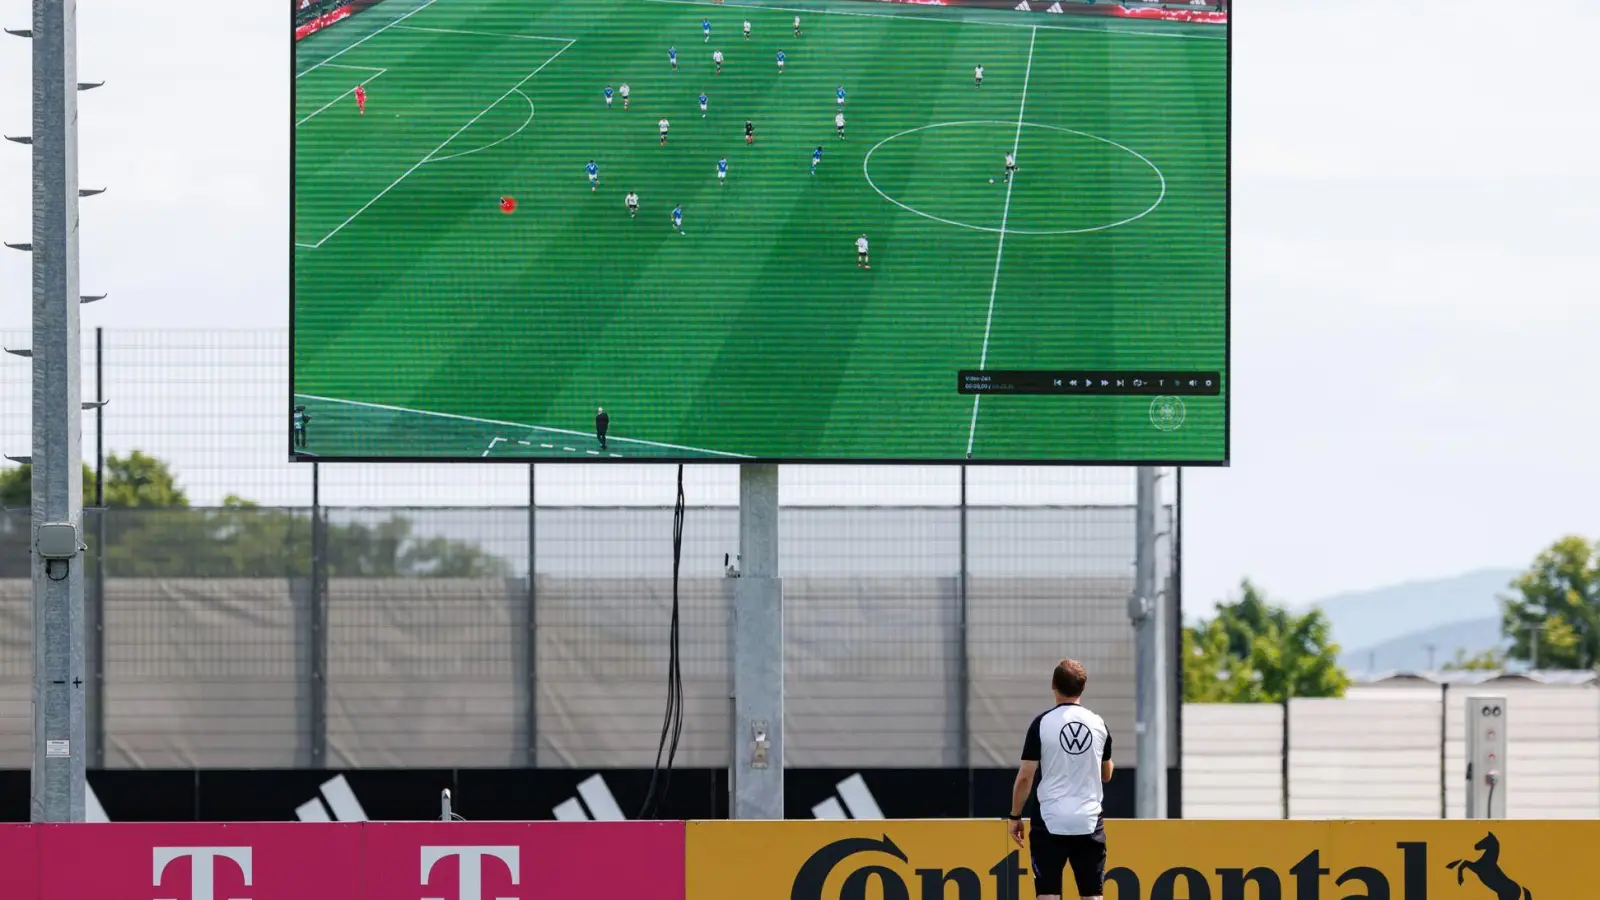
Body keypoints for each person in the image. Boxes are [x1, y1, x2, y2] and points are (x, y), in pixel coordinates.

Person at [1008, 659, 1113, 900]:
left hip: (1050, 821)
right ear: (1082, 688)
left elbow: (1025, 777)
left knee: (1048, 895)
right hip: (1088, 821)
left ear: (1053, 684)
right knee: (1093, 896)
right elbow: (1106, 774)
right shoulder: (1098, 724)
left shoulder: (1042, 724)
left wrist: (1015, 816)